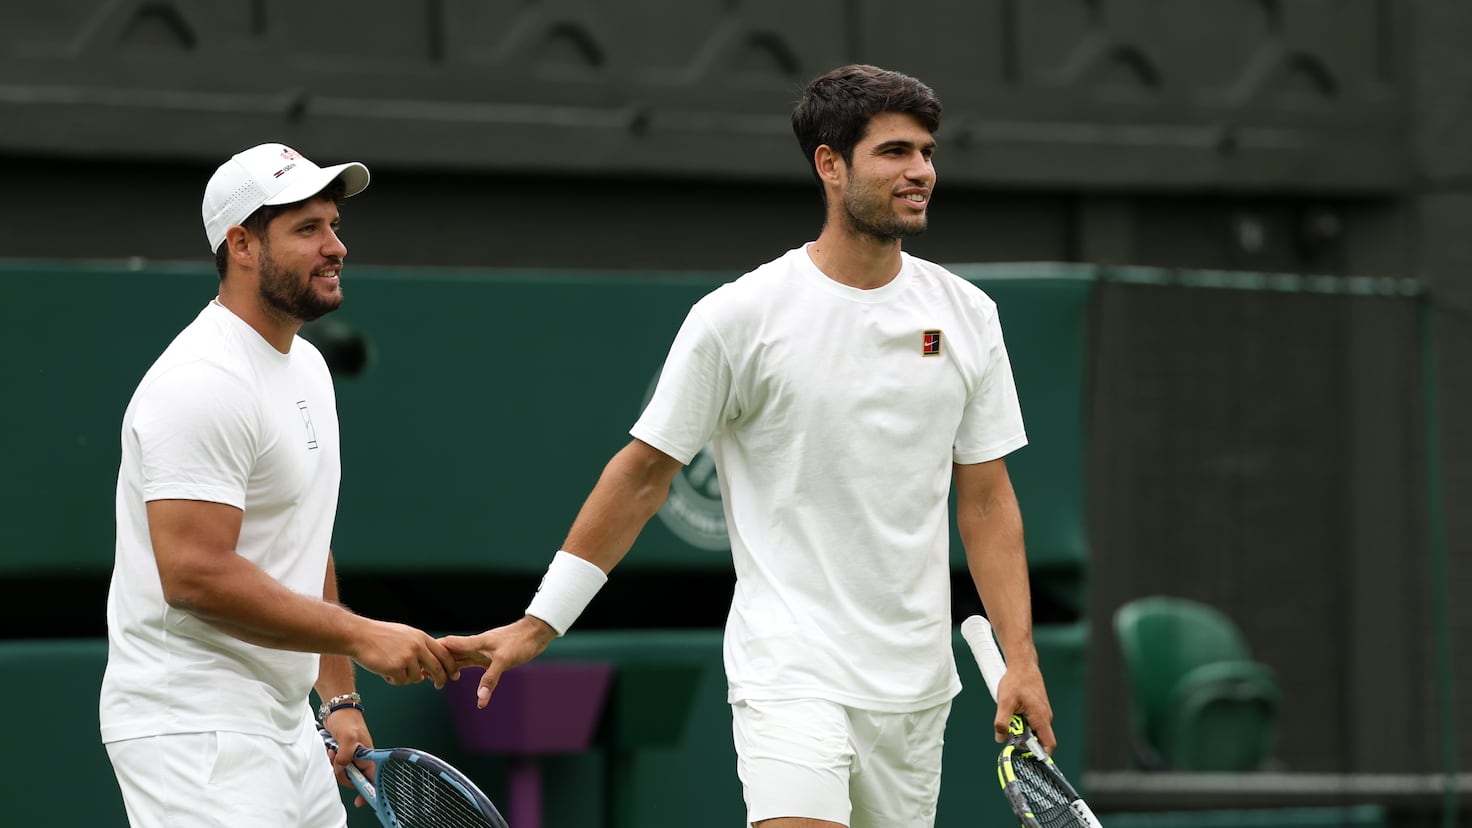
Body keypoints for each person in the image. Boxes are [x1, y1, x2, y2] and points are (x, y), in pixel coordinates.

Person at [442, 64, 1057, 827]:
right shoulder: (737, 318)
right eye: (895, 152)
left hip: (914, 689)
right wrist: (541, 622)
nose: (922, 171)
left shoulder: (969, 316)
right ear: (829, 165)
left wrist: (1020, 658)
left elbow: (989, 500)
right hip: (788, 670)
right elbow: (641, 476)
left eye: (927, 152)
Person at [101, 142, 459, 828]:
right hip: (193, 731)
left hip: (285, 725)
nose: (336, 246)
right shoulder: (200, 383)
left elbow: (301, 534)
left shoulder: (308, 370)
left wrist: (340, 696)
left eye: (334, 225)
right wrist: (360, 634)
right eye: (307, 230)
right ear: (241, 244)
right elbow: (194, 576)